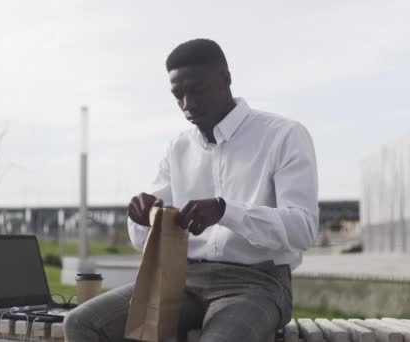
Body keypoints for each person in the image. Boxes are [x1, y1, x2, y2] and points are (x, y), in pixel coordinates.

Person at [64, 38, 318, 342]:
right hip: (180, 279)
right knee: (81, 323)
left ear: (225, 78)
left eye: (197, 90)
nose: (187, 105)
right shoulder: (179, 148)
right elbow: (142, 239)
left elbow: (304, 228)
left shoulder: (284, 136)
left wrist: (225, 211)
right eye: (178, 95)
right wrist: (144, 217)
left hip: (257, 283)